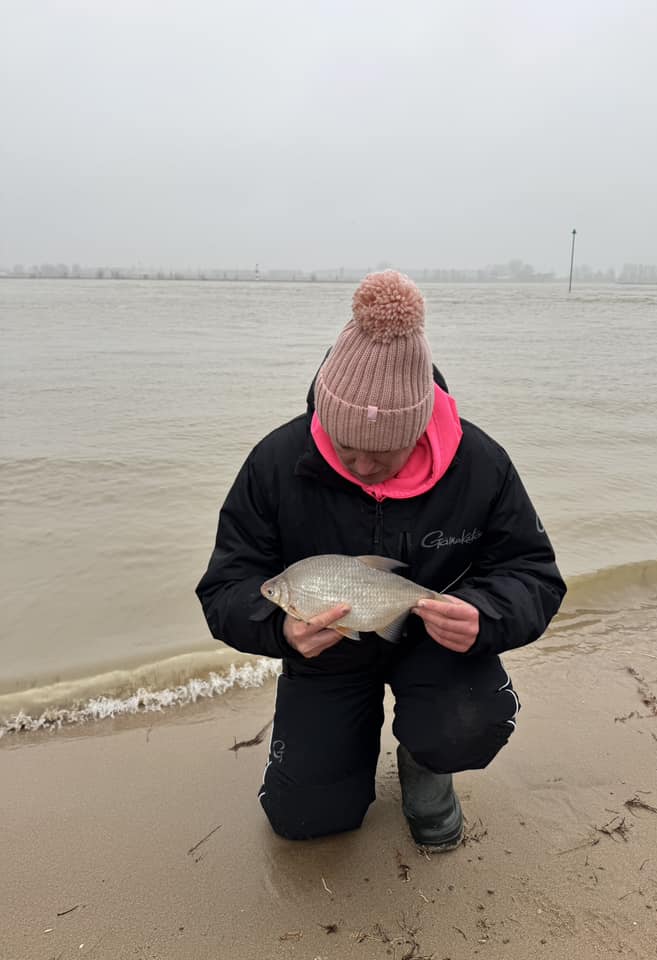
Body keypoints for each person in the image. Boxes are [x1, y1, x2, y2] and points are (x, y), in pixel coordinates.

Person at [196, 270, 566, 850]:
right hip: (329, 658)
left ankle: (425, 765)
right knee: (303, 818)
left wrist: (483, 616)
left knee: (469, 725)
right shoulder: (275, 462)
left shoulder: (480, 464)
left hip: (435, 648)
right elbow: (225, 586)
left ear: (418, 428)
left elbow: (535, 574)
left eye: (386, 452)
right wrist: (280, 629)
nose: (364, 467)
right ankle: (345, 753)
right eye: (347, 448)